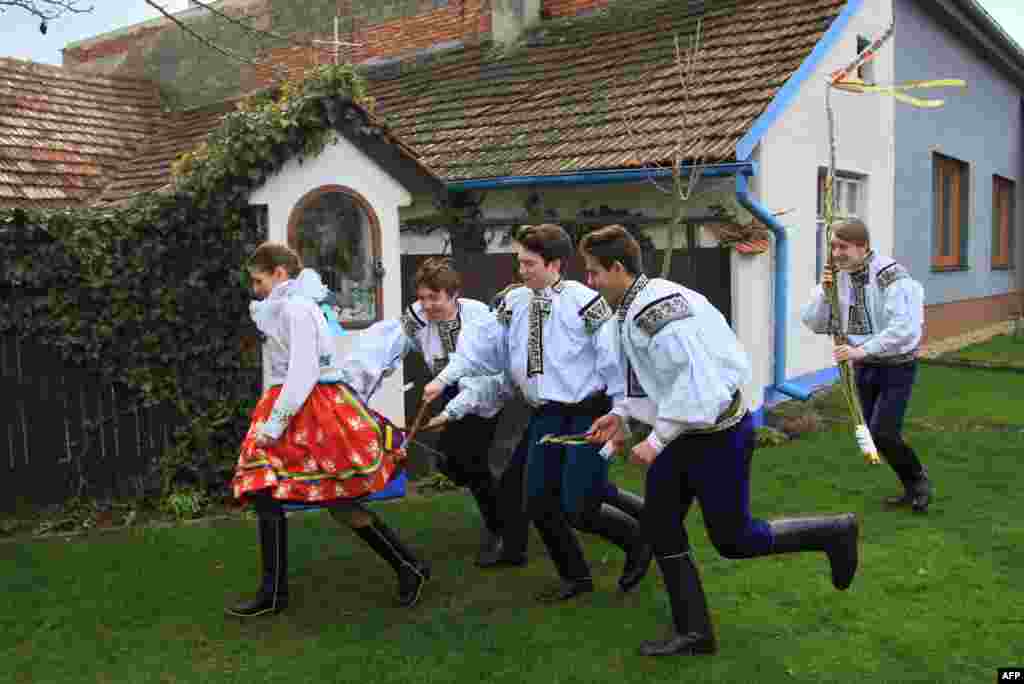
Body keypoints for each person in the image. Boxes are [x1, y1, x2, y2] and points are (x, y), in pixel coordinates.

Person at [580, 225, 859, 656]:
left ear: (618, 268)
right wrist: (621, 416)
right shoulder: (634, 305)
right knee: (660, 524)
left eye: (594, 272)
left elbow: (701, 389)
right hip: (686, 436)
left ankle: (833, 532)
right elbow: (650, 378)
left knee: (734, 540)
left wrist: (656, 440)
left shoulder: (659, 314)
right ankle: (695, 633)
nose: (590, 282)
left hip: (716, 437)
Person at [424, 224, 651, 602]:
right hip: (544, 415)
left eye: (529, 263)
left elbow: (613, 363)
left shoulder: (586, 302)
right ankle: (575, 577)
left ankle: (639, 542)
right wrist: (446, 380)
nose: (522, 270)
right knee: (537, 499)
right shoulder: (511, 303)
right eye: (520, 262)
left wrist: (621, 415)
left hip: (588, 413)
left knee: (579, 504)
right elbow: (482, 351)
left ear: (555, 264)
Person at [228, 242, 429, 618]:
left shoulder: (296, 309)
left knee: (325, 497)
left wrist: (274, 425)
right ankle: (275, 591)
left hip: (311, 407)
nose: (255, 289)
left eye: (259, 280)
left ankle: (407, 566)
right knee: (273, 492)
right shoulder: (287, 308)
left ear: (279, 274)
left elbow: (303, 372)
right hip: (301, 404)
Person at [337, 257, 514, 566]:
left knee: (469, 461)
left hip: (487, 390)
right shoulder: (417, 317)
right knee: (457, 464)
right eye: (422, 297)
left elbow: (486, 365)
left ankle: (503, 531)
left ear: (453, 294)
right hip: (447, 390)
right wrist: (352, 389)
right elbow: (385, 347)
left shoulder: (478, 317)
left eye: (434, 297)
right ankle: (505, 517)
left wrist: (460, 395)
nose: (427, 305)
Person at [801, 218, 931, 512]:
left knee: (884, 430)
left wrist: (861, 351)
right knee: (875, 433)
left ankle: (919, 482)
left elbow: (905, 330)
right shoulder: (838, 274)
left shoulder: (890, 276)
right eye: (833, 246)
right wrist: (825, 291)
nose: (836, 253)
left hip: (896, 365)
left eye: (843, 247)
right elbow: (816, 322)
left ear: (863, 247)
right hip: (863, 364)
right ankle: (910, 488)